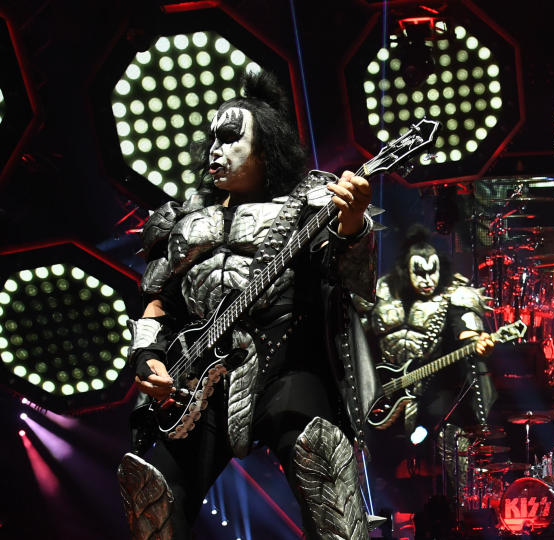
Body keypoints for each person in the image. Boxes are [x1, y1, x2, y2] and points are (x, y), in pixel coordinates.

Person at [116, 70, 380, 540]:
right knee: (150, 489)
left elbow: (352, 280)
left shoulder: (309, 205)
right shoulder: (182, 219)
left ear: (266, 148)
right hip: (196, 378)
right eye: (212, 138)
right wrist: (148, 358)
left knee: (319, 456)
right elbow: (155, 301)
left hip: (284, 361)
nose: (215, 149)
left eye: (231, 138)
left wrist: (355, 221)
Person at [358, 225, 495, 512]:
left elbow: (465, 329)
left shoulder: (454, 293)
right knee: (363, 447)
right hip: (383, 395)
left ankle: (465, 510)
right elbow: (358, 338)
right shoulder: (382, 290)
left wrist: (475, 339)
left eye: (432, 272)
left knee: (448, 433)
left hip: (434, 393)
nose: (427, 280)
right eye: (419, 272)